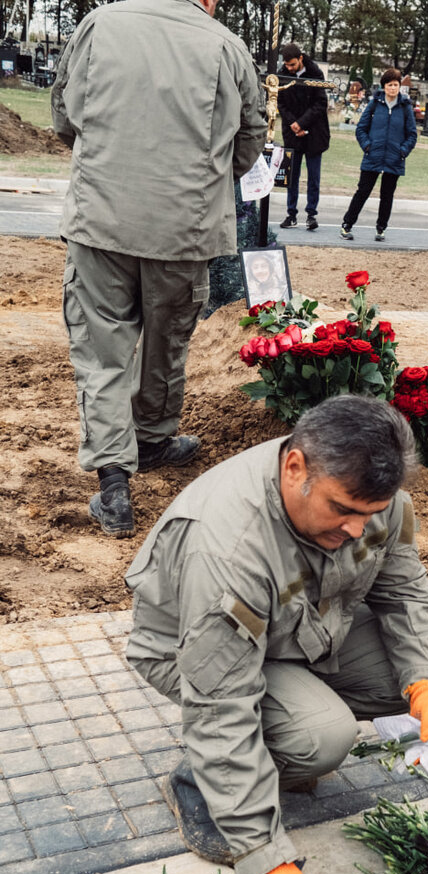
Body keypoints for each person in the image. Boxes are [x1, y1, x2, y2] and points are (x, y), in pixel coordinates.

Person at [124, 396, 428, 874]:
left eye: (369, 514)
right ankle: (198, 783)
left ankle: (284, 723)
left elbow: (405, 589)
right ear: (296, 468)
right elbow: (219, 704)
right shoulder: (230, 548)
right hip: (196, 652)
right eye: (343, 509)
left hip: (301, 626)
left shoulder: (370, 498)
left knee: (404, 677)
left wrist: (425, 683)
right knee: (322, 736)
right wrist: (262, 858)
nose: (356, 529)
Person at [51, 0, 264, 540]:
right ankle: (151, 438)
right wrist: (204, 177)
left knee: (103, 351)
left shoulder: (101, 24)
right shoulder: (228, 46)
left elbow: (64, 114)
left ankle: (114, 485)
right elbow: (249, 140)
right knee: (168, 338)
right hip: (185, 226)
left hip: (101, 218)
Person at [340, 68, 417, 242]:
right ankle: (347, 225)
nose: (393, 88)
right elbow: (361, 129)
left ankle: (381, 228)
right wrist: (367, 146)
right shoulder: (375, 104)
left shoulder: (405, 107)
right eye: (389, 85)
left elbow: (412, 134)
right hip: (373, 156)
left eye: (396, 85)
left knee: (387, 195)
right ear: (384, 86)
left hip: (394, 158)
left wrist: (403, 151)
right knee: (363, 191)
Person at [277, 42, 330, 232]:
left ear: (300, 58)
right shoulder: (282, 75)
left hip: (314, 132)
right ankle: (291, 214)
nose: (289, 68)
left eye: (292, 64)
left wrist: (303, 123)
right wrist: (293, 124)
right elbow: (280, 102)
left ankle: (311, 214)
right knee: (292, 176)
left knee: (313, 176)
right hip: (293, 133)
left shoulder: (315, 73)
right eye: (287, 65)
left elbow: (320, 102)